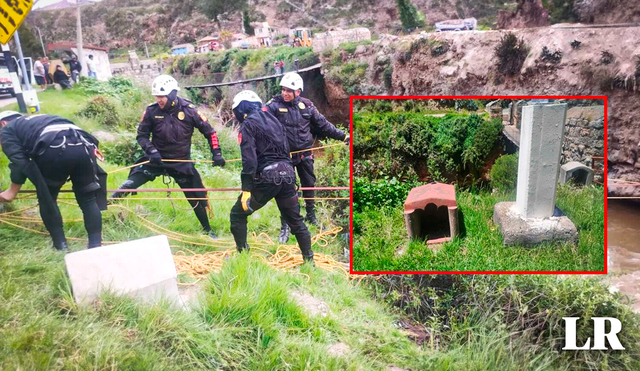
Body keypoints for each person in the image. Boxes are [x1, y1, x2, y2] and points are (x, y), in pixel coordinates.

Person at [110, 75, 226, 238]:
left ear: (172, 94)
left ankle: (207, 230)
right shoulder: (151, 111)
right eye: (156, 96)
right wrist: (152, 152)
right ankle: (107, 205)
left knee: (196, 197)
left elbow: (210, 132)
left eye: (161, 96)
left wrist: (217, 153)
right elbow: (141, 136)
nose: (159, 100)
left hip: (181, 162)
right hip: (155, 159)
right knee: (130, 182)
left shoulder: (190, 110)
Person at [0, 111, 107, 251]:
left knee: (47, 198)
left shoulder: (7, 130)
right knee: (88, 199)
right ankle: (95, 246)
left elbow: (19, 162)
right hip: (84, 144)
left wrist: (13, 191)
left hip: (54, 146)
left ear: (2, 123)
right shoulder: (40, 119)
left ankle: (61, 247)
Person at [229, 90, 314, 263]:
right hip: (288, 175)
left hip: (268, 178)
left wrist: (246, 189)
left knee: (237, 214)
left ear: (241, 110)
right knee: (296, 221)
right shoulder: (275, 121)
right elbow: (286, 150)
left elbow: (249, 160)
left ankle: (243, 256)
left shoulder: (247, 125)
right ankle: (309, 261)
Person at [265, 72, 349, 243]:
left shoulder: (307, 106)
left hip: (305, 155)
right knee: (285, 190)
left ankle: (311, 216)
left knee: (309, 185)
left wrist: (343, 136)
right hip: (284, 157)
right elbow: (260, 122)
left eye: (289, 90)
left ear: (298, 91)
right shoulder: (273, 106)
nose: (285, 93)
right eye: (283, 89)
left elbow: (324, 125)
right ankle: (286, 225)